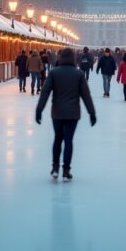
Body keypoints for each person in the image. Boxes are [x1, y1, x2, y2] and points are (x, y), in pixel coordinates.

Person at [35, 48, 96, 182]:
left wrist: (39, 109)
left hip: (57, 111)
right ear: (73, 58)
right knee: (68, 140)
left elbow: (45, 92)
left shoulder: (53, 73)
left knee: (58, 138)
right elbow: (86, 95)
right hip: (73, 113)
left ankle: (55, 167)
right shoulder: (78, 74)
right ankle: (66, 170)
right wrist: (92, 112)